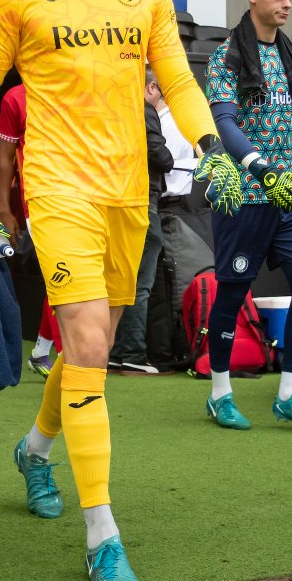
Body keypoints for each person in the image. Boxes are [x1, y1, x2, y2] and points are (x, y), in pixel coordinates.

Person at [0, 0, 225, 581]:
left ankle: (34, 449)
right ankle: (103, 536)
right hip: (58, 189)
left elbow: (177, 78)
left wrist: (211, 147)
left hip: (128, 196)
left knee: (86, 346)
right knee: (93, 344)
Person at [201, 0, 292, 433]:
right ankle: (219, 394)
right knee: (233, 294)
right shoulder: (225, 57)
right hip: (243, 196)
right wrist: (261, 170)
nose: (286, 5)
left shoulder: (288, 54)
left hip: (289, 199)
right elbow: (223, 121)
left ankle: (289, 393)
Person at [106, 68, 174, 374]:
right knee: (140, 285)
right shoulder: (146, 111)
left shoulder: (114, 113)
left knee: (121, 282)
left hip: (119, 202)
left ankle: (117, 351)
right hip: (144, 203)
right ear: (151, 88)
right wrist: (170, 157)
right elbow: (160, 155)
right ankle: (132, 354)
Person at [0, 82, 62, 375]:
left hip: (85, 197)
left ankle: (40, 352)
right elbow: (5, 159)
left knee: (61, 280)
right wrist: (4, 208)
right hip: (39, 201)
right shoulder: (15, 97)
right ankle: (69, 360)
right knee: (63, 278)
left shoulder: (77, 83)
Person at [152, 82, 196, 209]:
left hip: (169, 206)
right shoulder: (165, 121)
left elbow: (165, 164)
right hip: (167, 203)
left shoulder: (169, 124)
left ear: (152, 88)